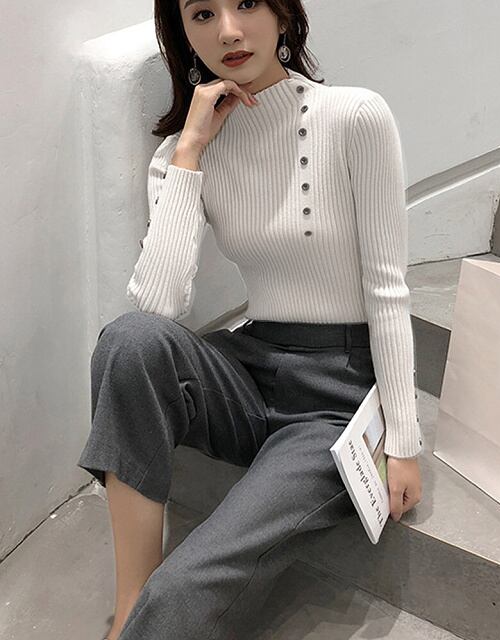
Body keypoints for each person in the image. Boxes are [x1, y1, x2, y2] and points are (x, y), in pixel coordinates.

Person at [77, 0, 424, 638]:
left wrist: (402, 440)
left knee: (191, 580)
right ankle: (129, 606)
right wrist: (189, 151)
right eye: (202, 14)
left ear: (283, 14)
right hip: (250, 367)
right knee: (129, 342)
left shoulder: (354, 115)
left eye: (245, 4)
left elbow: (387, 286)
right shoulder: (185, 150)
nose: (229, 31)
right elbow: (158, 307)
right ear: (182, 33)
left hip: (336, 396)